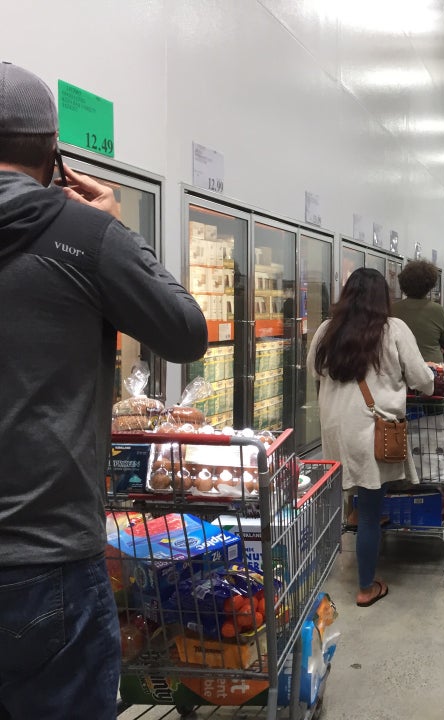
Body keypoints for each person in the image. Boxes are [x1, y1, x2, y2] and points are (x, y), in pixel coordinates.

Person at [0, 62, 208, 720]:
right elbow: (187, 332)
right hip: (50, 560)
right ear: (53, 158)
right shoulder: (84, 237)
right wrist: (114, 230)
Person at [309, 269, 436, 607]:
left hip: (336, 427)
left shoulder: (326, 330)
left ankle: (333, 545)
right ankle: (366, 587)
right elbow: (422, 379)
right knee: (370, 511)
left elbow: (315, 372)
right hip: (372, 428)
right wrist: (425, 381)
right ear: (383, 297)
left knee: (348, 488)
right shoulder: (393, 329)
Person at [391, 259, 444, 364]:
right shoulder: (437, 310)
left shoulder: (393, 308)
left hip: (400, 364)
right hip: (431, 366)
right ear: (430, 285)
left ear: (403, 284)